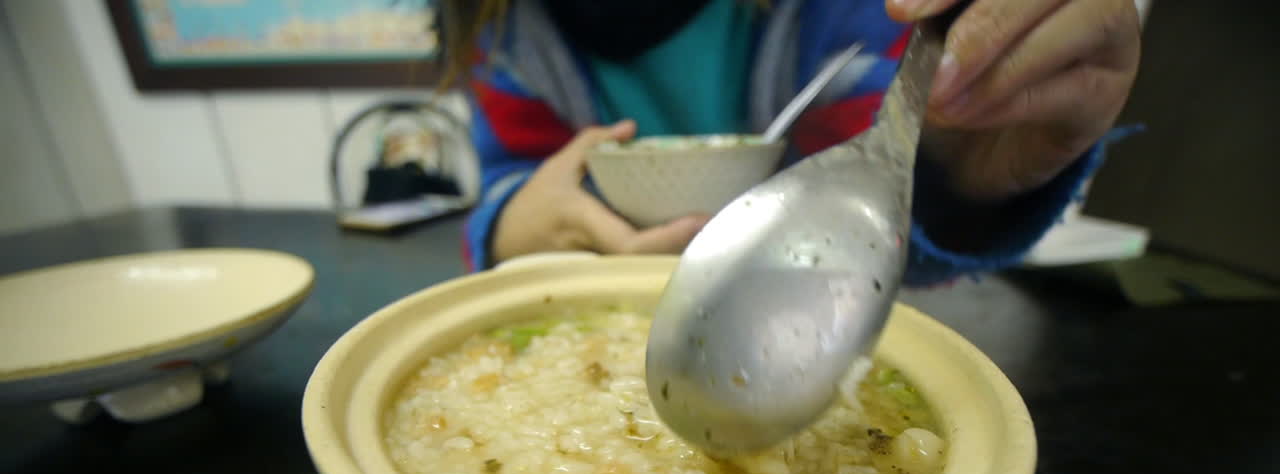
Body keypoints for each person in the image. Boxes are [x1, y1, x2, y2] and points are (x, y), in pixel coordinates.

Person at [441, 0, 1141, 285]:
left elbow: (866, 212)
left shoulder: (850, 13)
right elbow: (513, 174)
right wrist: (512, 227)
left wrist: (954, 179)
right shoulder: (501, 30)